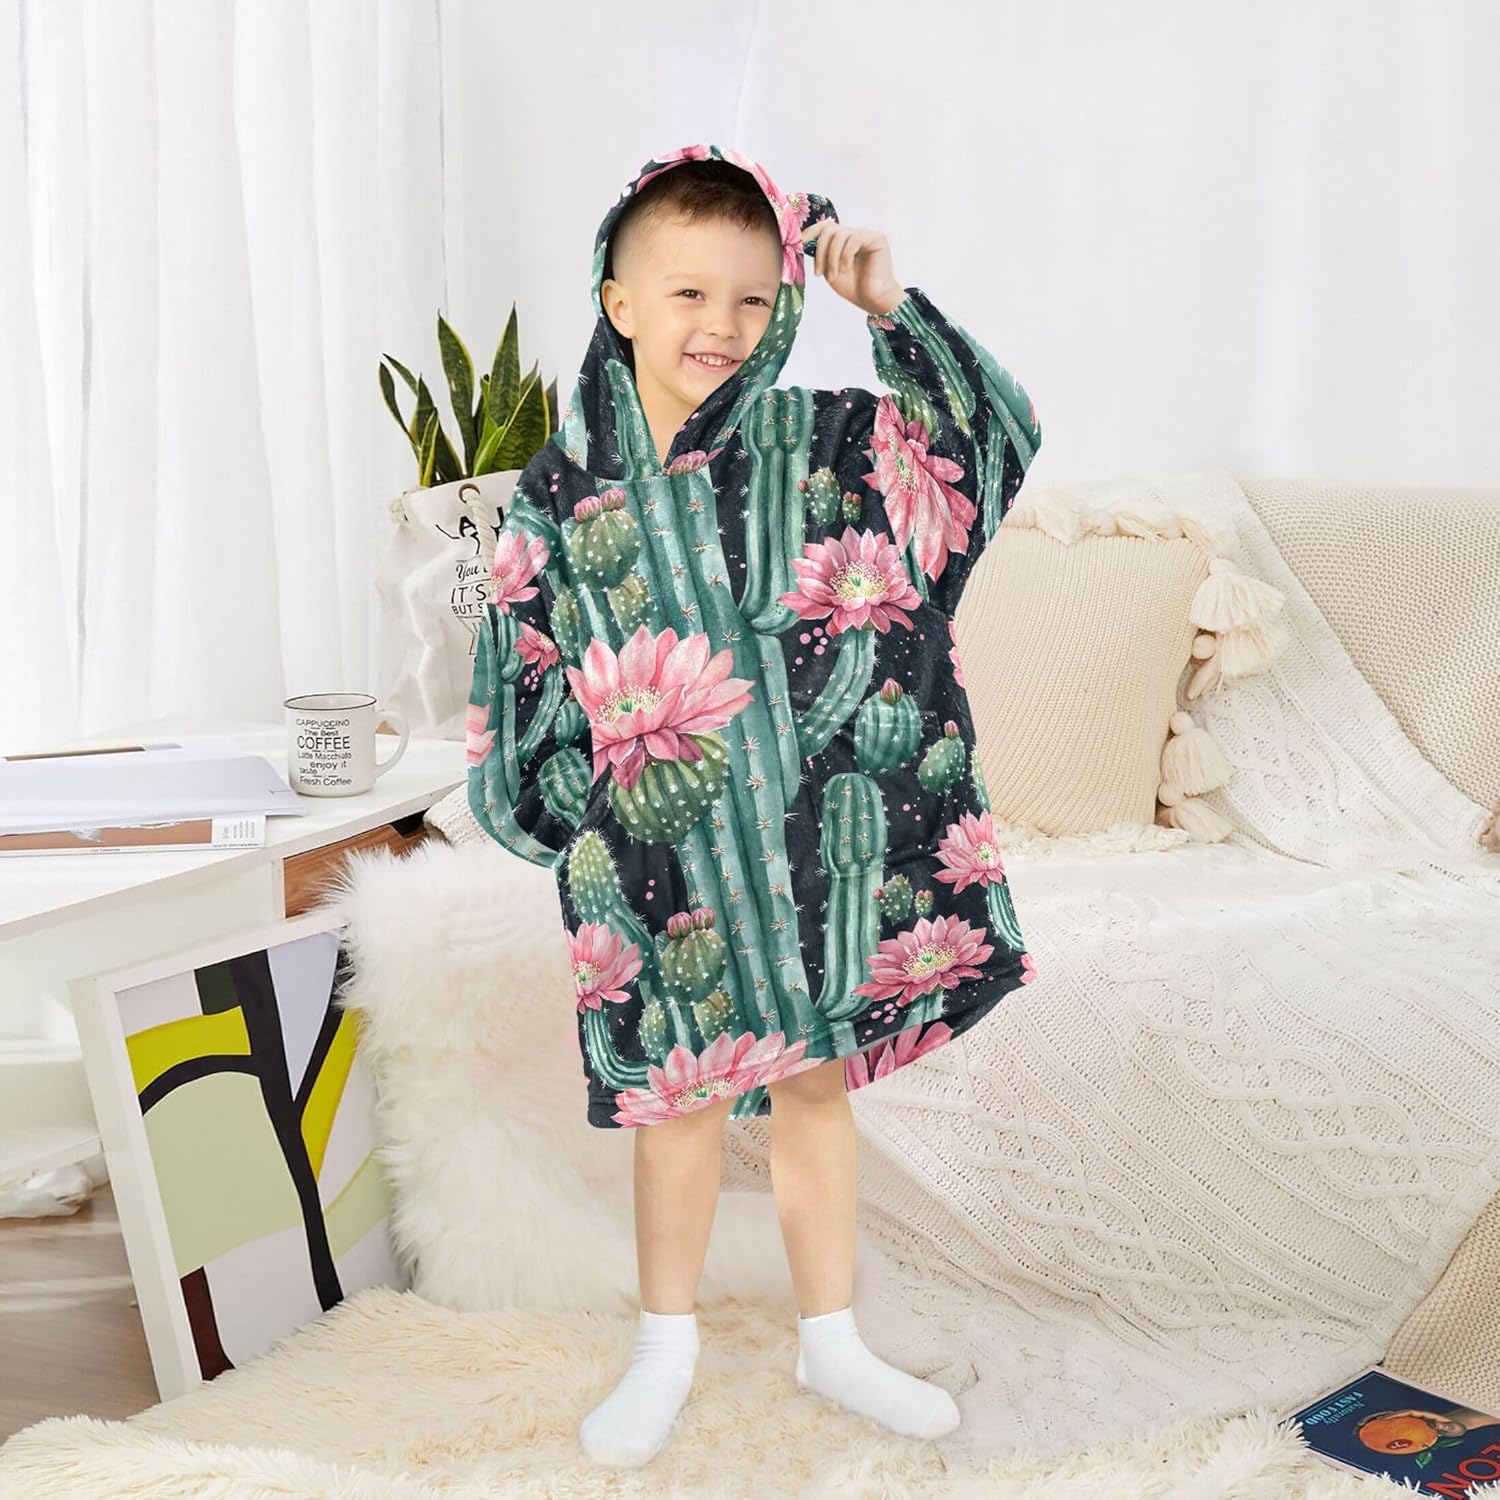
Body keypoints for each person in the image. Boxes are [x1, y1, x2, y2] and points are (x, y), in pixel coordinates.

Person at [466, 143, 1042, 1468]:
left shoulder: (829, 441)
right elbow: (521, 666)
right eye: (686, 295)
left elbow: (984, 450)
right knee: (677, 1109)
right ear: (618, 301)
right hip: (659, 865)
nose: (718, 326)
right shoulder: (558, 492)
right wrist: (584, 825)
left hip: (820, 854)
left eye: (748, 299)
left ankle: (832, 1340)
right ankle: (663, 1350)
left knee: (813, 1091)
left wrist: (891, 312)